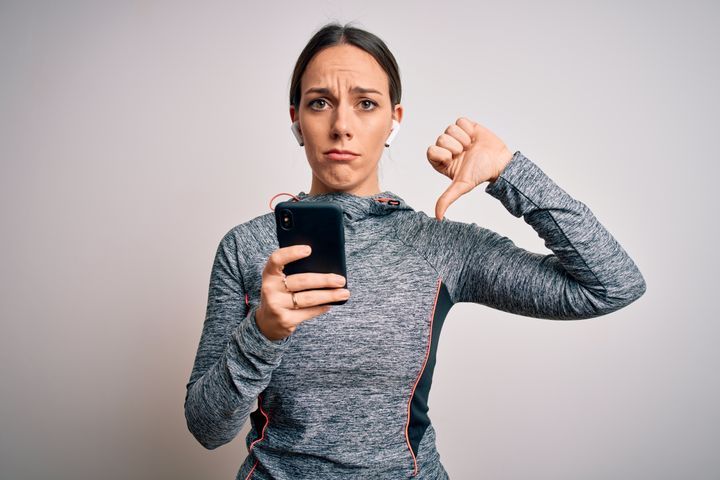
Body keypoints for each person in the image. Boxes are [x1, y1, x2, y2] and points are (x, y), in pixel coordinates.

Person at [184, 22, 647, 480]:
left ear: (394, 120)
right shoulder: (246, 248)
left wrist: (507, 172)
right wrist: (263, 331)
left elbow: (612, 286)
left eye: (366, 104)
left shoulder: (438, 245)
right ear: (296, 120)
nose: (342, 126)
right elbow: (207, 428)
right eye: (320, 103)